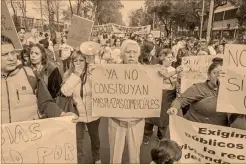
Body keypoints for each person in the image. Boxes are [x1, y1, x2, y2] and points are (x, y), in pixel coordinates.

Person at [1, 35, 70, 123]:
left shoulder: (31, 74)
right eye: (5, 54)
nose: (11, 58)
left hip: (30, 133)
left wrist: (61, 114)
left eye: (13, 53)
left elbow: (46, 103)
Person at [61, 42, 101, 164]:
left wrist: (94, 75)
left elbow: (100, 90)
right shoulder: (69, 74)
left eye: (81, 60)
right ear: (72, 62)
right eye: (75, 61)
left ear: (86, 61)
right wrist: (76, 76)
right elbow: (65, 92)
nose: (78, 63)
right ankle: (80, 161)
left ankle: (97, 158)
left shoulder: (93, 72)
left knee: (95, 138)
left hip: (93, 112)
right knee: (78, 140)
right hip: (76, 113)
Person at [108, 39, 144, 164]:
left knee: (135, 158)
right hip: (116, 121)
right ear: (122, 54)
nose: (132, 55)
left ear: (139, 54)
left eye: (135, 52)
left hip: (136, 122)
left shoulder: (147, 72)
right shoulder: (111, 71)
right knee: (115, 158)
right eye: (128, 52)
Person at [167, 59, 230, 127]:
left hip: (217, 134)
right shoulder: (198, 88)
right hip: (194, 131)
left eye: (222, 74)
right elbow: (180, 100)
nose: (218, 76)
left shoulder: (232, 93)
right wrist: (174, 108)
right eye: (215, 73)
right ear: (209, 75)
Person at [143, 49, 183, 144]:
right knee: (151, 115)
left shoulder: (174, 69)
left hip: (170, 95)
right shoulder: (157, 67)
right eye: (168, 57)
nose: (171, 59)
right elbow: (163, 76)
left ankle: (160, 135)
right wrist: (175, 72)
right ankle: (147, 134)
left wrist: (180, 81)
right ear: (162, 57)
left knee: (164, 117)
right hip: (158, 93)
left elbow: (176, 82)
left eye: (171, 57)